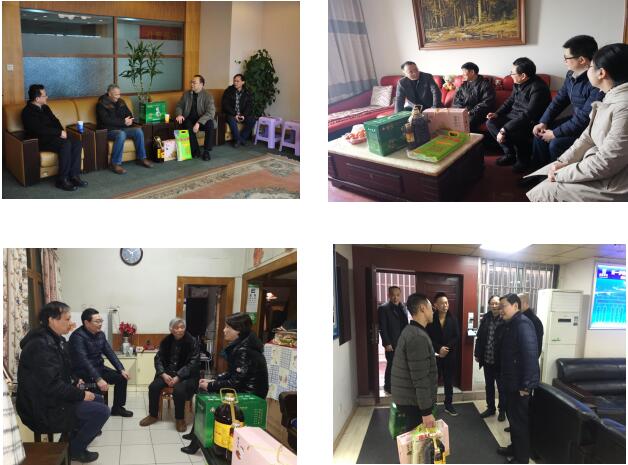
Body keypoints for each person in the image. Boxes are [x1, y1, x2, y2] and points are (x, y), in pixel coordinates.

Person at [527, 43, 628, 202]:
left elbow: (608, 161)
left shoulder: (622, 106)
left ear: (601, 73)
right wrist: (562, 162)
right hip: (598, 160)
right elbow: (587, 136)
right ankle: (542, 175)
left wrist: (560, 173)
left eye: (591, 66)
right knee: (540, 138)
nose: (564, 61)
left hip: (615, 181)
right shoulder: (608, 95)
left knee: (544, 191)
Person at [16, 302, 110, 463]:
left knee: (99, 399)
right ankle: (75, 449)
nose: (71, 323)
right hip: (42, 408)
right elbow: (52, 386)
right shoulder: (41, 346)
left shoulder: (55, 339)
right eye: (67, 319)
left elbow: (65, 367)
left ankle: (70, 442)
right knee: (101, 411)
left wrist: (75, 379)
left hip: (52, 399)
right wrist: (81, 395)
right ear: (52, 320)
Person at [180, 313, 269, 454]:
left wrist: (210, 386)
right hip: (242, 388)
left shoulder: (244, 350)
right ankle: (196, 433)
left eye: (228, 327)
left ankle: (196, 442)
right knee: (204, 391)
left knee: (207, 397)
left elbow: (235, 382)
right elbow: (232, 374)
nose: (224, 330)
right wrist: (213, 381)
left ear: (238, 330)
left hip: (250, 394)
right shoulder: (242, 344)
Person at [527, 36, 603, 183]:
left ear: (581, 60)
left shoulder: (596, 80)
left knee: (556, 143)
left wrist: (555, 133)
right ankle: (537, 175)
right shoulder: (570, 75)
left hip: (589, 127)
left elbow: (585, 118)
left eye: (566, 58)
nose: (564, 61)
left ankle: (554, 179)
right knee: (539, 133)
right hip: (575, 120)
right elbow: (559, 100)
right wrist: (543, 122)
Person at [486, 57, 552, 173]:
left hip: (531, 121)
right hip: (515, 116)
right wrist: (497, 113)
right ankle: (510, 154)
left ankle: (523, 159)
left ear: (523, 75)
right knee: (491, 123)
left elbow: (529, 114)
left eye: (512, 73)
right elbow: (510, 101)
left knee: (514, 130)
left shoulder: (538, 88)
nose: (510, 75)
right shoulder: (518, 83)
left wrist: (505, 129)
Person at [496, 294, 540, 464]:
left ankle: (521, 458)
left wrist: (526, 386)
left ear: (515, 306)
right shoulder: (511, 324)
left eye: (503, 306)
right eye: (499, 307)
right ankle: (514, 448)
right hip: (511, 382)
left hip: (520, 386)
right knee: (513, 420)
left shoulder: (523, 324)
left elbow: (530, 356)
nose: (500, 310)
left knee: (519, 422)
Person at [69, 308, 133, 417]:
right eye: (97, 321)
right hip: (84, 372)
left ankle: (117, 408)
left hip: (99, 368)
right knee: (96, 388)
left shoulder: (100, 334)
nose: (100, 324)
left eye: (101, 321)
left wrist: (121, 369)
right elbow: (84, 361)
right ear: (86, 322)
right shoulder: (77, 337)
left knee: (122, 378)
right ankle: (95, 415)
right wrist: (98, 379)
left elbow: (110, 353)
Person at [21, 84, 86, 191]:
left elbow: (55, 121)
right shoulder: (27, 112)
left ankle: (74, 176)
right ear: (37, 99)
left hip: (54, 136)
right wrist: (58, 133)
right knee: (65, 144)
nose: (47, 97)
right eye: (45, 95)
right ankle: (62, 180)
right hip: (40, 140)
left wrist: (62, 132)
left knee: (76, 143)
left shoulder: (45, 107)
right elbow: (39, 130)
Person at [139, 318, 200, 432]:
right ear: (171, 329)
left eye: (182, 327)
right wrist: (163, 374)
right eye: (176, 328)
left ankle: (180, 419)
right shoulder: (166, 341)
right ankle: (153, 415)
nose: (180, 330)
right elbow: (158, 359)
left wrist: (178, 376)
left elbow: (193, 363)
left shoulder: (192, 342)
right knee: (153, 387)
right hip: (167, 374)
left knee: (179, 390)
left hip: (186, 376)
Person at [391, 293, 437, 433]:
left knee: (414, 438)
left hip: (408, 397)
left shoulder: (412, 331)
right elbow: (420, 378)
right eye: (431, 308)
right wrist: (426, 412)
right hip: (413, 401)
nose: (433, 311)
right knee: (418, 440)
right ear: (423, 308)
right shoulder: (417, 337)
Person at [96, 84, 153, 174]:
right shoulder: (101, 103)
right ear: (109, 94)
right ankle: (115, 163)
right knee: (121, 134)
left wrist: (130, 120)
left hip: (123, 128)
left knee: (138, 131)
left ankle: (142, 158)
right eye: (116, 94)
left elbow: (129, 114)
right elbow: (106, 120)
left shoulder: (121, 101)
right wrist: (123, 122)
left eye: (119, 94)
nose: (118, 96)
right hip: (109, 130)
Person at [426, 292, 460, 416]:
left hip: (449, 355)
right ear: (435, 305)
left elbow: (456, 336)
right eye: (442, 303)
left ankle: (448, 404)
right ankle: (431, 405)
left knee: (448, 381)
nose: (445, 305)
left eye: (446, 303)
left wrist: (446, 348)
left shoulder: (453, 319)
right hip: (435, 355)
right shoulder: (430, 319)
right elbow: (427, 337)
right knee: (433, 381)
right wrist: (439, 348)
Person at [475, 295, 507, 421]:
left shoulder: (504, 318)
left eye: (496, 303)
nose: (494, 306)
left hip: (500, 361)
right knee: (489, 386)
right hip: (487, 359)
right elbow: (479, 337)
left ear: (500, 305)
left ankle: (502, 410)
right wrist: (477, 354)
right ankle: (491, 408)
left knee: (501, 387)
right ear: (489, 305)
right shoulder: (486, 318)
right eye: (492, 303)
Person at [175, 74, 216, 160]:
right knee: (187, 125)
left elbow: (211, 112)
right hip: (189, 119)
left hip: (202, 120)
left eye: (194, 83)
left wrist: (199, 123)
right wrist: (179, 114)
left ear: (201, 84)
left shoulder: (208, 95)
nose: (192, 84)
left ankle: (206, 151)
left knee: (210, 124)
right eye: (191, 82)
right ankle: (195, 151)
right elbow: (179, 106)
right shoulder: (186, 94)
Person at [378, 286, 408, 394]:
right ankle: (388, 386)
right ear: (388, 295)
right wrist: (387, 343)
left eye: (398, 295)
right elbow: (382, 327)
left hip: (402, 342)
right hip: (391, 343)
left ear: (400, 295)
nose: (395, 298)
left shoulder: (403, 307)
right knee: (391, 365)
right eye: (393, 295)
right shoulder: (383, 308)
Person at [452, 62, 496, 132]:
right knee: (451, 120)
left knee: (467, 123)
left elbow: (486, 103)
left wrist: (470, 112)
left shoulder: (485, 85)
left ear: (472, 72)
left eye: (464, 72)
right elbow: (457, 100)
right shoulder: (464, 85)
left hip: (478, 113)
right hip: (464, 112)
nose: (462, 75)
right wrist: (460, 110)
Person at [222, 74, 256, 147]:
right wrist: (235, 114)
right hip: (231, 114)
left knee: (252, 119)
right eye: (234, 81)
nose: (235, 83)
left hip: (242, 114)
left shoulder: (247, 92)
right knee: (231, 119)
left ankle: (241, 138)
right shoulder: (228, 91)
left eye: (237, 81)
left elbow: (249, 106)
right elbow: (225, 105)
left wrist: (244, 115)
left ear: (243, 82)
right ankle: (238, 140)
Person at [518, 294, 544, 358]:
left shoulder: (532, 321)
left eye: (517, 304)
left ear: (525, 303)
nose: (516, 306)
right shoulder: (522, 318)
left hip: (527, 359)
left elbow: (536, 346)